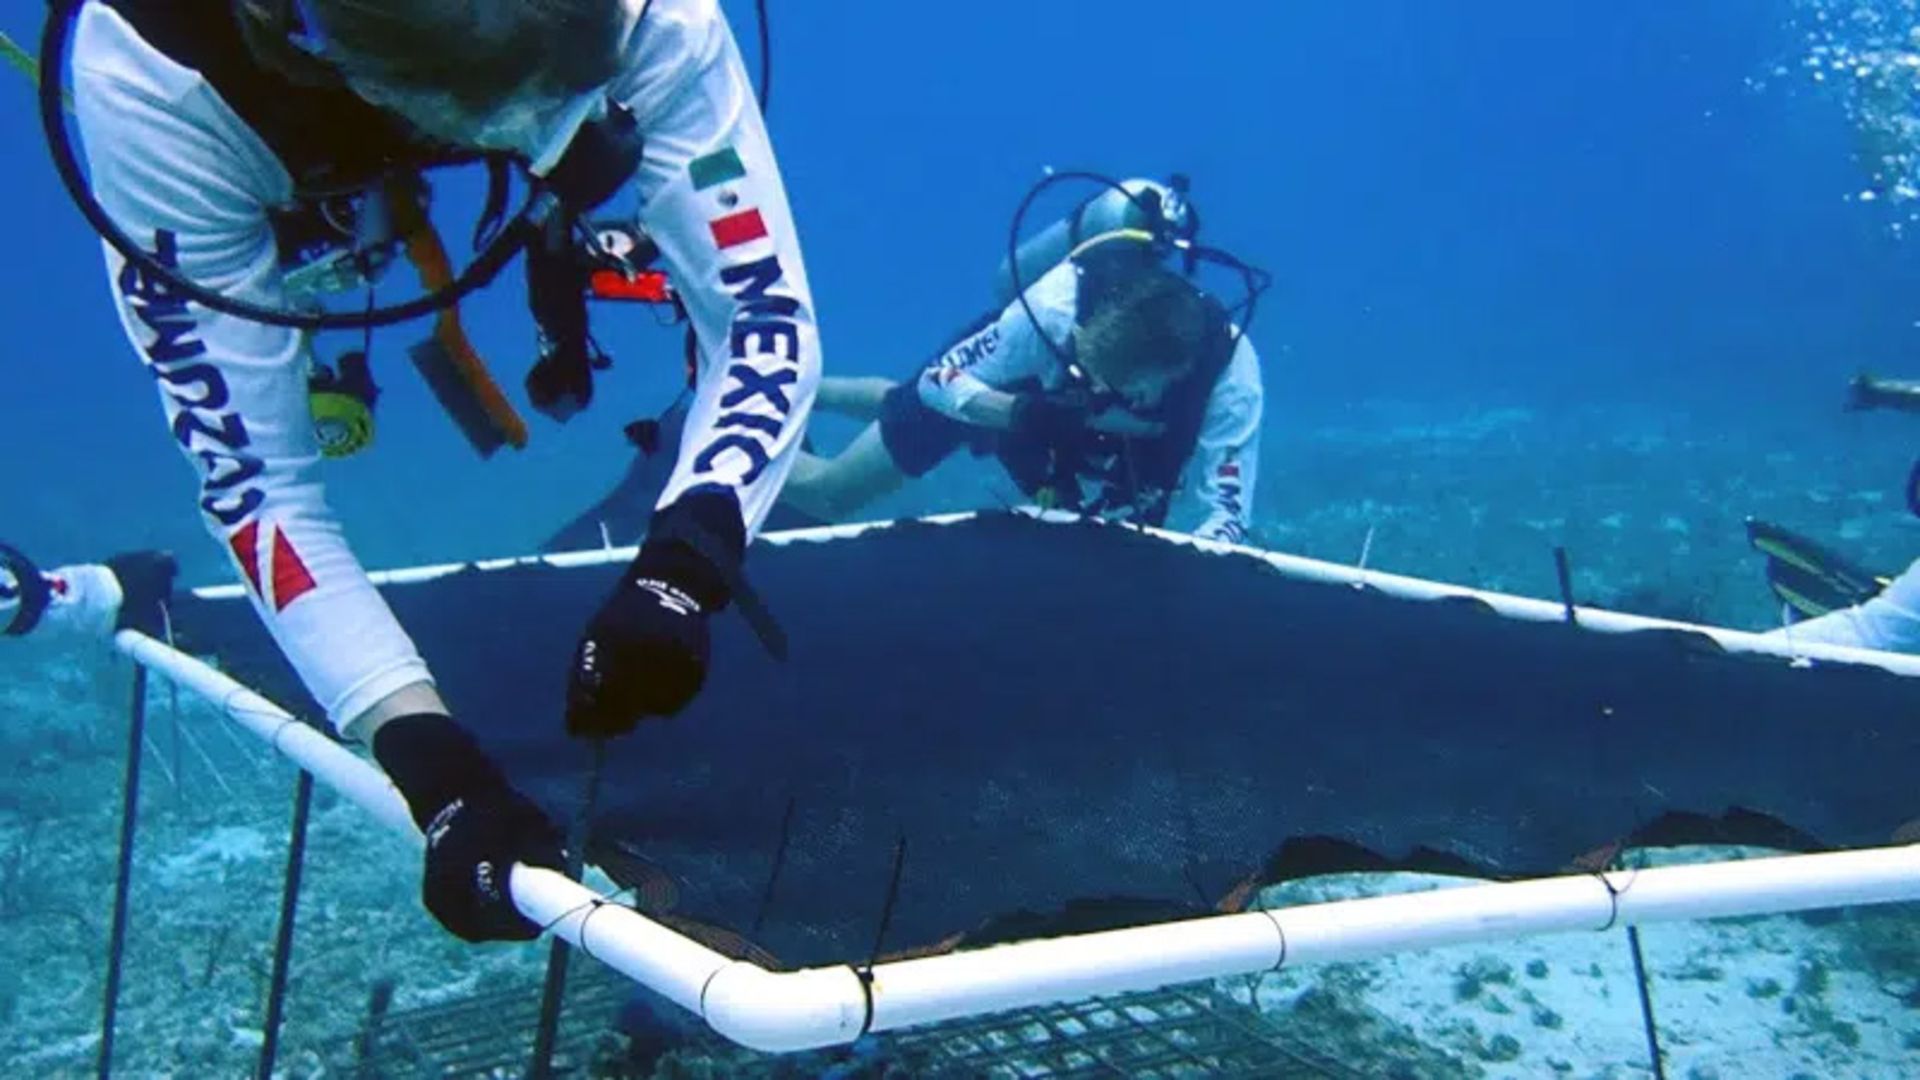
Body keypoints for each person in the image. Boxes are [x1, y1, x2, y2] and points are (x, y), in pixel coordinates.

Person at [67, 0, 820, 943]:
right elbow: (257, 487)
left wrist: (687, 559)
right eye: (503, 113)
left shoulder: (649, 14)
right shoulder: (150, 81)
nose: (544, 138)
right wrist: (432, 765)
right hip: (258, 117)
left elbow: (759, 316)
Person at [778, 236, 1264, 544]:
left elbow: (1226, 516)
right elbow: (937, 382)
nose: (1094, 390)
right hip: (1007, 393)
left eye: (1110, 387)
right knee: (831, 495)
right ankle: (768, 410)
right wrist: (1018, 413)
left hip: (1054, 418)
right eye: (1086, 372)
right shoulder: (1049, 312)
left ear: (1171, 375)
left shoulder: (1232, 380)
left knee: (894, 404)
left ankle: (802, 389)